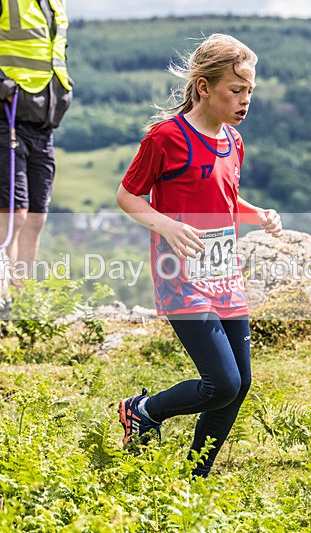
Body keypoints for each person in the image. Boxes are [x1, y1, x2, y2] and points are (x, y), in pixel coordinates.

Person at [115, 34, 283, 478]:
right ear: (204, 87)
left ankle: (196, 478)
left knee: (239, 384)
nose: (245, 101)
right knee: (221, 382)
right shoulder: (166, 138)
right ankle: (143, 409)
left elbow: (226, 200)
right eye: (236, 90)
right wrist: (166, 225)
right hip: (180, 276)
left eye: (250, 92)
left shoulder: (234, 141)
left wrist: (257, 214)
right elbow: (128, 196)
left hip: (225, 274)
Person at [0, 0, 73, 278]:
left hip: (42, 124)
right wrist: (6, 89)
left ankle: (22, 301)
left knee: (35, 219)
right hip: (1, 117)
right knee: (13, 218)